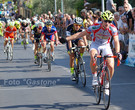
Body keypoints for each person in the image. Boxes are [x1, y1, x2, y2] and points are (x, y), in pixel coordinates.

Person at [60, 11, 121, 94]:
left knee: (111, 65)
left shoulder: (113, 28)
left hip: (106, 45)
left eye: (109, 21)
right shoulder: (95, 26)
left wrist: (117, 52)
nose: (107, 23)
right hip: (95, 44)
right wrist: (67, 39)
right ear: (102, 20)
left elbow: (116, 41)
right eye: (105, 21)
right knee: (93, 56)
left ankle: (106, 83)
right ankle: (95, 77)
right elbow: (81, 34)